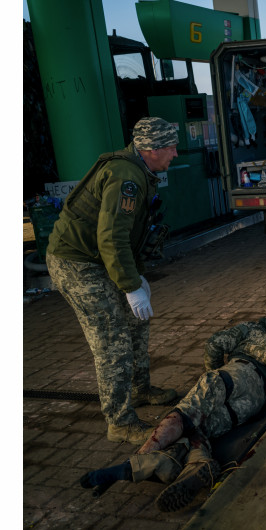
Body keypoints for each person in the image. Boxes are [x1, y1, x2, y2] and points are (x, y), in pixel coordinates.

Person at [79, 316, 266, 512]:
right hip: (256, 400)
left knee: (194, 404)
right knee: (200, 427)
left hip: (241, 376)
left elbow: (213, 344)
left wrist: (214, 371)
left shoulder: (251, 329)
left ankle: (135, 461)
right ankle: (193, 463)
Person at [46, 117, 180, 445]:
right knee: (112, 340)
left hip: (99, 258)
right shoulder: (126, 177)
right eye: (170, 148)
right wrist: (131, 286)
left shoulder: (139, 171)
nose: (175, 154)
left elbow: (128, 237)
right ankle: (119, 421)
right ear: (151, 150)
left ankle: (140, 389)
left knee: (138, 323)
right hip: (77, 263)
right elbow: (112, 238)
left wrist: (136, 277)